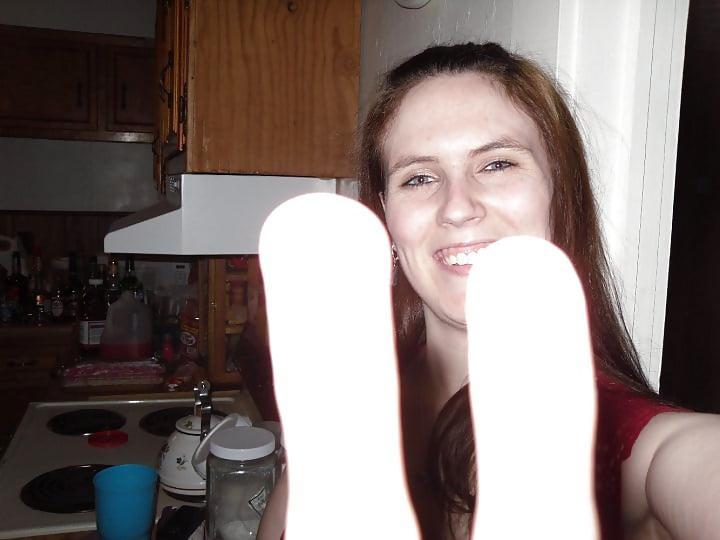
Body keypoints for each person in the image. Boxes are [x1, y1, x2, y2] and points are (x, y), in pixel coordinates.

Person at [256, 42, 720, 539]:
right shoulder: (341, 404)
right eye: (419, 177)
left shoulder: (647, 450)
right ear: (386, 218)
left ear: (559, 195)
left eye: (497, 164)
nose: (457, 207)